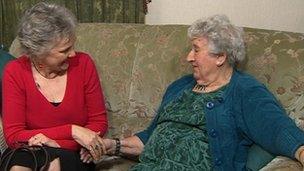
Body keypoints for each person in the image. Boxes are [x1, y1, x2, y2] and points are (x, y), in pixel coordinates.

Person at [91, 15, 304, 170]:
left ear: (220, 57)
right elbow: (151, 137)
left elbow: (278, 129)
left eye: (196, 49)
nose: (189, 57)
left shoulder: (244, 90)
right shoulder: (180, 86)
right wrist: (113, 145)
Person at [1, 2, 107, 171]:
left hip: (73, 154)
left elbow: (98, 122)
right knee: (19, 165)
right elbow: (14, 136)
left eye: (72, 46)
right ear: (39, 52)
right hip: (28, 149)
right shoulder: (15, 71)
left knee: (53, 163)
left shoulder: (83, 64)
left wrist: (56, 143)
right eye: (64, 50)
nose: (72, 54)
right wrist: (72, 131)